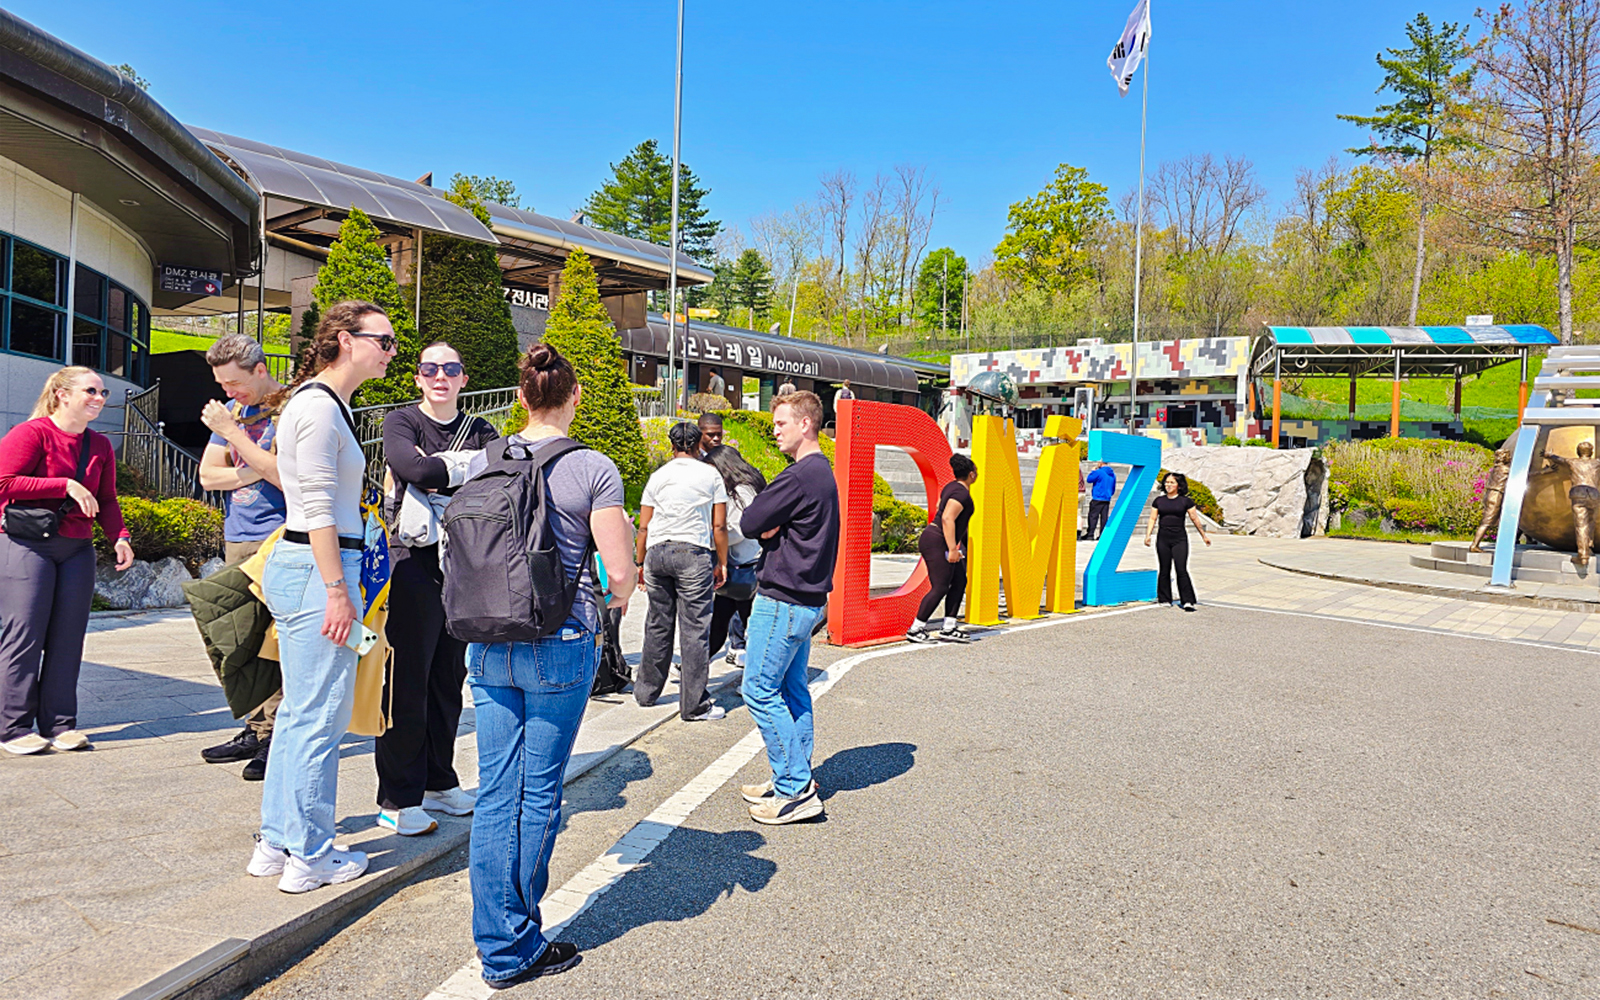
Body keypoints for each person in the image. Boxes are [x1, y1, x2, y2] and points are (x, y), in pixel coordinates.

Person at [466, 343, 637, 985]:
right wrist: (612, 600)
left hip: (486, 641)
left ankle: (495, 936)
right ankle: (514, 947)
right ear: (576, 399)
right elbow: (619, 573)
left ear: (520, 398)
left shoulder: (489, 459)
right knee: (537, 792)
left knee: (495, 792)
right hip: (559, 642)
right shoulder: (593, 467)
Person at [248, 300, 396, 894]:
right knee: (320, 716)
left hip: (313, 567)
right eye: (381, 340)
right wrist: (339, 589)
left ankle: (278, 841)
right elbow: (313, 511)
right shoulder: (318, 407)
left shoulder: (322, 405)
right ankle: (309, 854)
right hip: (320, 568)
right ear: (343, 339)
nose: (390, 350)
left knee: (302, 714)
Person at [376, 342, 498, 837]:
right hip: (412, 561)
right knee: (406, 679)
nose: (440, 376)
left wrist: (440, 468)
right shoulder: (400, 422)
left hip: (463, 564)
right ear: (418, 377)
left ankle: (439, 781)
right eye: (430, 368)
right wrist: (461, 468)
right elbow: (413, 469)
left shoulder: (483, 429)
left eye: (451, 368)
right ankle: (397, 796)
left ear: (464, 378)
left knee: (448, 678)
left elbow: (496, 477)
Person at [0, 368, 134, 756]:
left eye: (102, 391)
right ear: (61, 394)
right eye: (90, 390)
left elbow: (106, 499)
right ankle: (13, 728)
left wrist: (120, 537)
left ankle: (60, 725)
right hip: (26, 544)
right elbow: (4, 481)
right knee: (24, 635)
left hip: (77, 548)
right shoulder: (33, 434)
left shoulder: (99, 446)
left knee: (67, 639)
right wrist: (65, 484)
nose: (99, 397)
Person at [737, 391, 839, 825]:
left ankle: (795, 788)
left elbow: (749, 521)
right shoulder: (823, 473)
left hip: (782, 599)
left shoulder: (797, 477)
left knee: (758, 690)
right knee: (793, 690)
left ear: (805, 424)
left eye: (781, 423)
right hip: (808, 600)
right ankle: (793, 777)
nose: (774, 430)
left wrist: (767, 532)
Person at [197, 334, 287, 780]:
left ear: (260, 369)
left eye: (235, 383)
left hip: (280, 537)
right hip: (238, 537)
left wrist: (234, 436)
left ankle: (277, 738)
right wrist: (252, 466)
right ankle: (255, 728)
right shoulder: (232, 413)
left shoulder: (288, 407)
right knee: (241, 637)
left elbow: (285, 474)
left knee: (275, 642)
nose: (229, 393)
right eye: (222, 384)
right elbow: (207, 476)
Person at [634, 422, 729, 722]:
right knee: (694, 631)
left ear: (671, 445)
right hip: (693, 553)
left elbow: (644, 526)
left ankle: (646, 693)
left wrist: (639, 563)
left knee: (657, 623)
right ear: (699, 443)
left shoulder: (658, 476)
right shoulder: (711, 474)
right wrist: (722, 562)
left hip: (657, 553)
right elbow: (719, 526)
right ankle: (694, 706)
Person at [906, 454, 978, 644]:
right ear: (972, 474)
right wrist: (952, 548)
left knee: (960, 580)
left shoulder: (951, 487)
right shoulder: (961, 493)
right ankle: (916, 629)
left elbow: (939, 505)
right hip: (938, 540)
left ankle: (949, 627)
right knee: (940, 586)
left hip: (939, 538)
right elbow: (947, 518)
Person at [704, 444, 766, 666]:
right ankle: (696, 666)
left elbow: (740, 530)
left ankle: (757, 678)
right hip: (734, 566)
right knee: (719, 622)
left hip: (749, 566)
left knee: (752, 626)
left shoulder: (744, 490)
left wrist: (710, 540)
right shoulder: (734, 490)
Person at [1143, 471, 1211, 612]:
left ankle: (1187, 600)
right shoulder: (1159, 501)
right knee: (1164, 568)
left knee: (1181, 569)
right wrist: (1148, 535)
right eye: (1166, 482)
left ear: (1179, 485)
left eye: (1172, 482)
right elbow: (1152, 519)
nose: (1168, 485)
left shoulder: (1186, 501)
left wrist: (1204, 535)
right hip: (1163, 539)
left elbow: (1195, 519)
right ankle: (1164, 598)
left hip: (1179, 539)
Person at [1083, 461, 1116, 540]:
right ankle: (1102, 536)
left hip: (1097, 497)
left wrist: (1093, 471)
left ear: (1100, 463)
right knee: (1104, 518)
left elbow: (1089, 479)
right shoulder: (1112, 474)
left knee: (1093, 516)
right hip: (1106, 498)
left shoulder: (1099, 472)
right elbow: (1113, 487)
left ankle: (1090, 534)